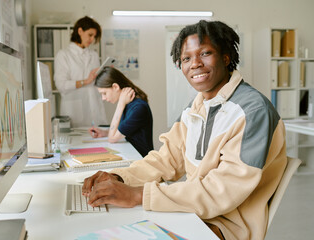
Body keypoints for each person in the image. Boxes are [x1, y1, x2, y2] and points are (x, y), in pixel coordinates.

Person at [82, 20, 288, 240]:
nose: (195, 64)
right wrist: (119, 177)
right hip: (193, 214)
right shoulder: (196, 107)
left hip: (225, 226)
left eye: (205, 53)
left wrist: (138, 195)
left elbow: (221, 192)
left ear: (226, 57)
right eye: (186, 58)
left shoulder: (253, 111)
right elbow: (166, 160)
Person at [88, 67, 154, 157]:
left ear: (115, 87)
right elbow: (121, 131)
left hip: (141, 160)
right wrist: (105, 133)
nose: (103, 98)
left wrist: (120, 104)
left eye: (104, 93)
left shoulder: (138, 107)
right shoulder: (129, 104)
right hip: (132, 155)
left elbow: (112, 138)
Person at [54, 16, 107, 127]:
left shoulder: (94, 55)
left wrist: (106, 74)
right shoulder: (64, 55)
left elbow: (96, 82)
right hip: (74, 111)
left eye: (94, 36)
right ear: (80, 31)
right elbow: (61, 85)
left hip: (95, 108)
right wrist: (86, 81)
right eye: (90, 35)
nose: (92, 39)